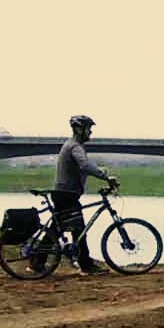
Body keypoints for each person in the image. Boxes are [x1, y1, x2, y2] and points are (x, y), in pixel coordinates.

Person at [53, 114, 119, 274]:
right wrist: (105, 177)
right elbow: (84, 165)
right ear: (78, 129)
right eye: (88, 129)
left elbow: (84, 166)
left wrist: (100, 171)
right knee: (79, 230)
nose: (90, 132)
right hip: (67, 195)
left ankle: (37, 263)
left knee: (57, 228)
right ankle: (86, 265)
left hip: (63, 193)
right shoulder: (75, 147)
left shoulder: (70, 145)